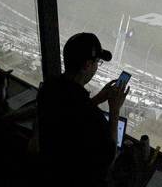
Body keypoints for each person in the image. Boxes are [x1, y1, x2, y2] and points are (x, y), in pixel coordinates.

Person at [37, 32, 130, 186]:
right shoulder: (92, 118)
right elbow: (108, 157)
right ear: (87, 65)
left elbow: (71, 113)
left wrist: (98, 99)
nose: (96, 68)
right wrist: (114, 110)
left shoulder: (48, 88)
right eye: (97, 62)